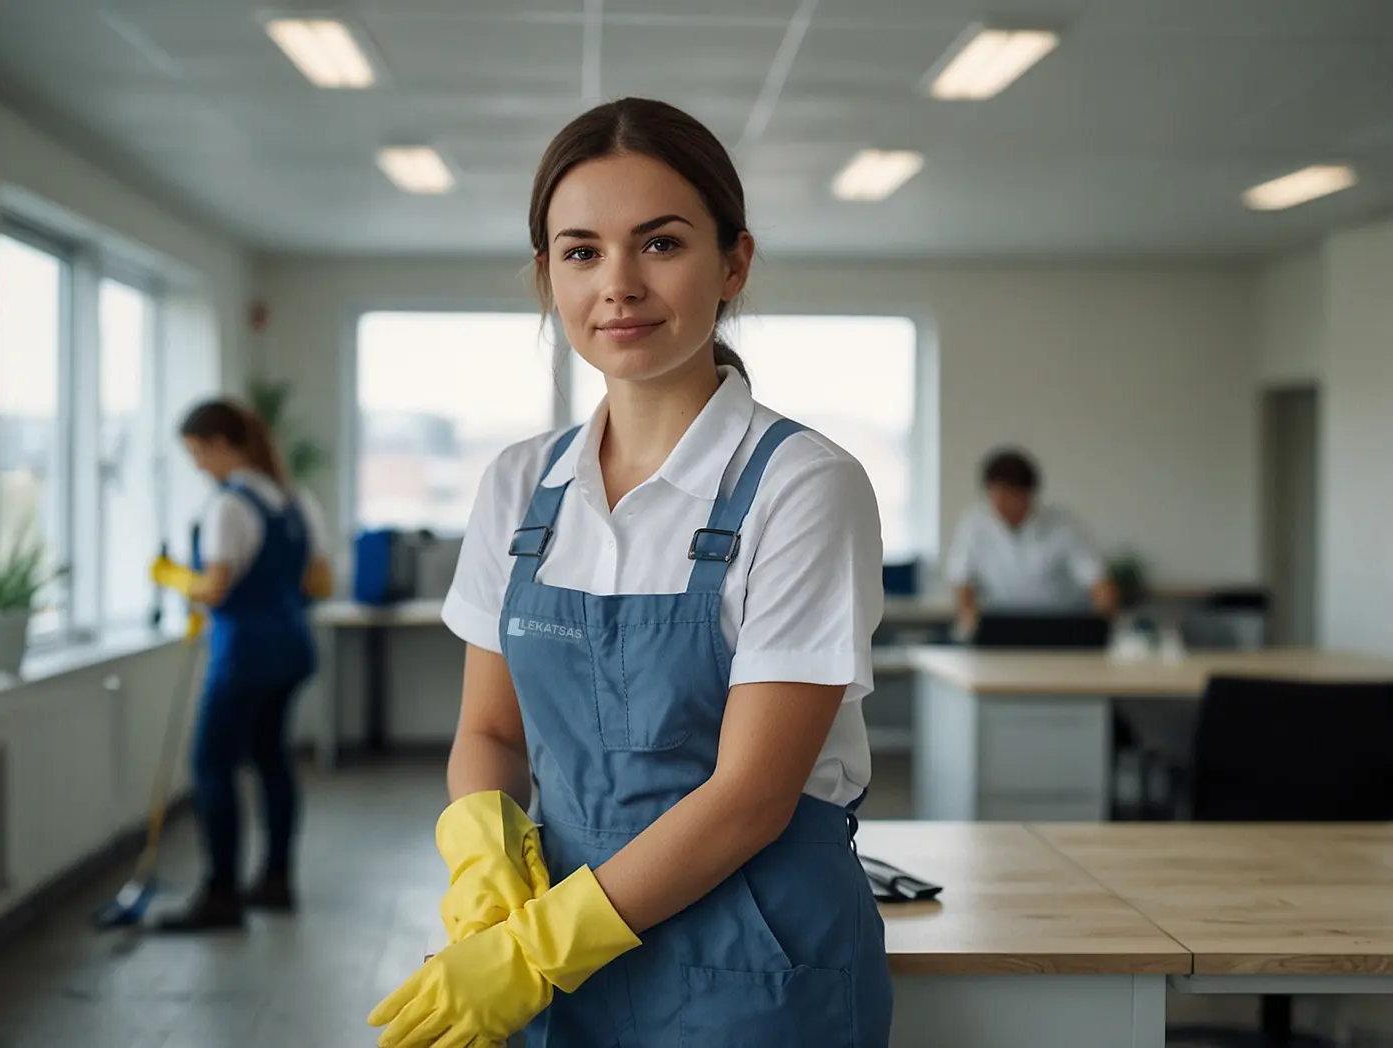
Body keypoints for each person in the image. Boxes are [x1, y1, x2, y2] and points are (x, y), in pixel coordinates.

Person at [367, 98, 893, 1047]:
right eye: (581, 251)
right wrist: (482, 858)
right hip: (566, 970)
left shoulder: (805, 487)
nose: (618, 284)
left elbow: (750, 798)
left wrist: (538, 951)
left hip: (754, 970)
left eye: (659, 244)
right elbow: (490, 729)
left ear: (733, 262)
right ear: (547, 275)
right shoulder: (521, 484)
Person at [148, 398, 332, 931]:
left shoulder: (228, 506)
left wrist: (172, 577)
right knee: (271, 758)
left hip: (245, 655)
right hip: (293, 649)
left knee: (211, 766)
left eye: (198, 453)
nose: (198, 465)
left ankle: (220, 895)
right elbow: (318, 582)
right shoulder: (294, 500)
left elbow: (216, 586)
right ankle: (276, 881)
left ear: (223, 445)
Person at [944, 446, 1117, 635]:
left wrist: (1100, 628)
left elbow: (1098, 582)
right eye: (994, 496)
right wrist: (969, 622)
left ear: (1028, 495)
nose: (1000, 506)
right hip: (1001, 629)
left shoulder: (1064, 526)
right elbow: (962, 581)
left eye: (1008, 497)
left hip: (1060, 630)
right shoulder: (973, 525)